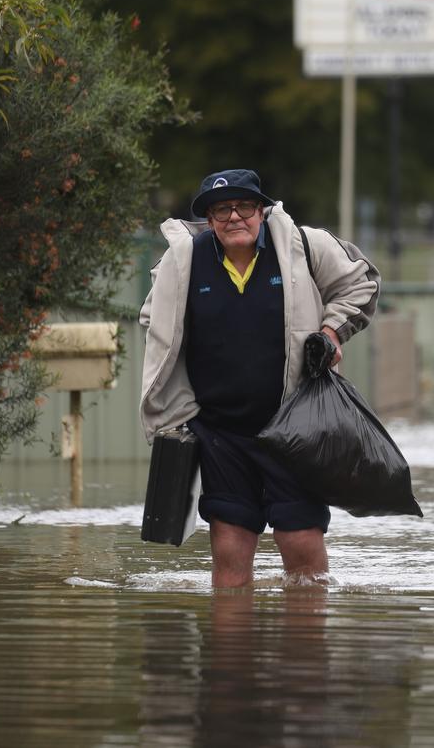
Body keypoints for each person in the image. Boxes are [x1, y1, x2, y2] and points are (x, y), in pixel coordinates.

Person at [139, 169, 380, 588]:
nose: (234, 217)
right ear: (209, 218)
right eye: (221, 209)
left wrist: (330, 333)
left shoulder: (303, 246)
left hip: (295, 425)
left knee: (303, 551)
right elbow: (152, 320)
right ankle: (234, 651)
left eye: (244, 206)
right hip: (219, 432)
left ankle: (304, 648)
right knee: (229, 557)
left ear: (261, 209)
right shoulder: (182, 262)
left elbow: (362, 283)